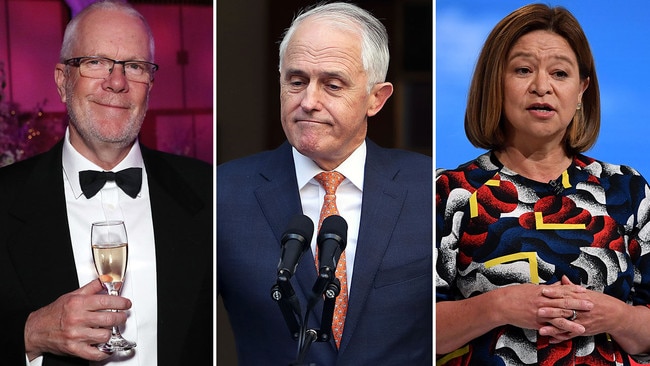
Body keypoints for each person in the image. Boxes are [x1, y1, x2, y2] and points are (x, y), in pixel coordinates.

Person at [217, 2, 432, 365]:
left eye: (332, 85)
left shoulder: (429, 189)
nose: (309, 102)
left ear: (376, 99)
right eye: (296, 81)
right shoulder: (223, 193)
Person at [436, 3, 650, 365]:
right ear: (495, 83)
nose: (541, 87)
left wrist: (616, 316)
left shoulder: (627, 188)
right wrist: (499, 306)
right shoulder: (449, 191)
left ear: (582, 90)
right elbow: (410, 327)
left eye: (560, 74)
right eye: (523, 70)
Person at [0, 1, 212, 365]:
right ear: (62, 80)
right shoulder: (5, 199)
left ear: (151, 83)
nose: (117, 82)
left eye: (134, 66)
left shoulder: (208, 191)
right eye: (95, 62)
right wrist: (30, 333)